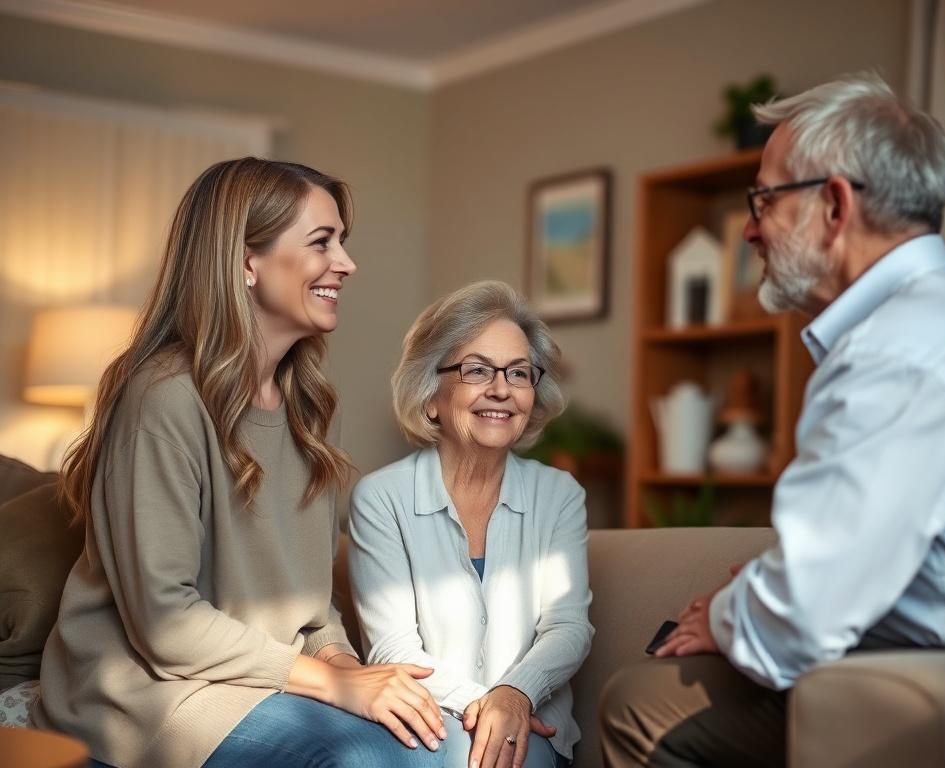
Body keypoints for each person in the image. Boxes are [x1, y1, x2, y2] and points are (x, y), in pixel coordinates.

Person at [600, 73, 945, 767]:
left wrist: (734, 613)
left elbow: (804, 618)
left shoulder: (897, 353)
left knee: (638, 704)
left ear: (833, 204)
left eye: (763, 198)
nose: (748, 228)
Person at [31, 157, 448, 768]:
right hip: (153, 697)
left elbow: (309, 607)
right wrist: (332, 686)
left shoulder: (303, 406)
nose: (346, 263)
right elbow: (165, 624)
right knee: (370, 754)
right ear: (246, 260)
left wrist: (348, 667)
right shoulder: (164, 397)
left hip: (259, 682)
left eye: (343, 242)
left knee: (445, 739)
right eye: (321, 242)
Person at [348, 281, 594, 768]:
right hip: (428, 725)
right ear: (431, 395)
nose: (501, 389)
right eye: (477, 370)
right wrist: (489, 706)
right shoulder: (381, 498)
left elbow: (568, 627)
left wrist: (516, 695)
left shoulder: (560, 495)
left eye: (519, 373)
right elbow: (393, 648)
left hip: (534, 733)